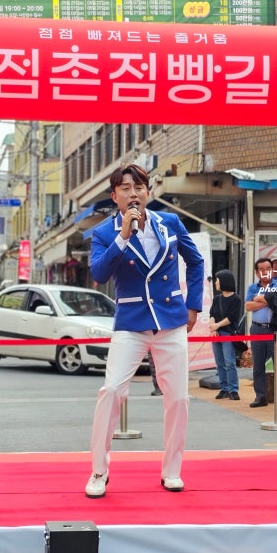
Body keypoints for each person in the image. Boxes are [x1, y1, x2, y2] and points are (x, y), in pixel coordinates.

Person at [86, 164, 204, 498]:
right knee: (111, 391)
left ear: (148, 192)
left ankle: (172, 471)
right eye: (125, 188)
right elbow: (98, 273)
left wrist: (193, 305)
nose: (133, 193)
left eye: (139, 186)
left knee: (178, 398)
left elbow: (195, 262)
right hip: (131, 321)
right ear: (114, 196)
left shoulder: (170, 223)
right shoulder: (104, 233)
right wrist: (124, 236)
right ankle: (98, 471)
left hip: (170, 321)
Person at [245, 257, 277, 410]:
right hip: (257, 328)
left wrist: (260, 298)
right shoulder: (252, 287)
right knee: (258, 365)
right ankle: (260, 396)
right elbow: (248, 306)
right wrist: (269, 299)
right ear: (257, 272)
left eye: (268, 269)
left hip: (275, 329)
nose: (265, 272)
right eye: (262, 269)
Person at [208, 270, 242, 401]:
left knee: (229, 362)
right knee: (220, 363)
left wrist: (217, 326)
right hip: (216, 334)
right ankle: (224, 388)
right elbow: (212, 314)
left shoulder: (236, 299)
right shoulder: (217, 299)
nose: (216, 283)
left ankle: (233, 389)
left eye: (218, 280)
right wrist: (213, 327)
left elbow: (232, 317)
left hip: (228, 333)